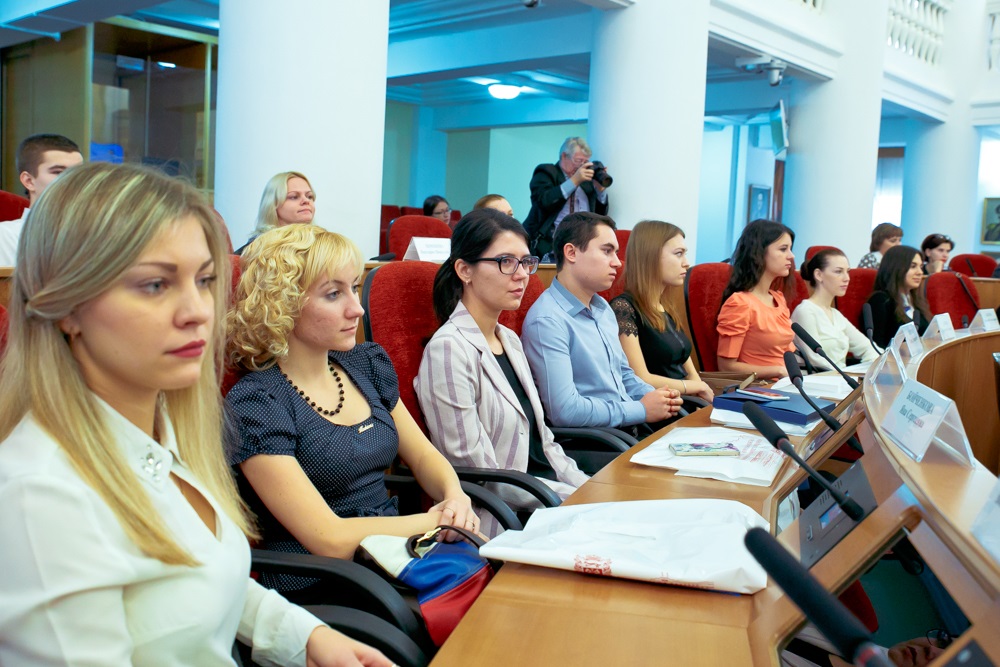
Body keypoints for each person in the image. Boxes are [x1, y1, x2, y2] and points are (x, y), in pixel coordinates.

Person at [0, 162, 390, 666]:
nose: (199, 311)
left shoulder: (163, 428)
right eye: (155, 285)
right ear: (67, 307)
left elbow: (201, 575)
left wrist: (308, 637)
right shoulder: (40, 495)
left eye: (204, 280)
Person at [226, 224, 477, 597]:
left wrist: (454, 495)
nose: (357, 308)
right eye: (333, 294)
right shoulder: (258, 404)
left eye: (355, 288)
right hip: (323, 586)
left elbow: (424, 457)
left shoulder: (365, 364)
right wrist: (435, 521)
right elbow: (329, 539)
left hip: (396, 562)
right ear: (282, 304)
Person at [415, 209, 589, 534]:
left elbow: (545, 445)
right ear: (464, 270)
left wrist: (590, 490)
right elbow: (479, 474)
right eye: (506, 262)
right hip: (504, 518)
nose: (522, 275)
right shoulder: (448, 350)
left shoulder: (509, 339)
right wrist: (572, 501)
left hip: (548, 502)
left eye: (526, 262)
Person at [521, 212, 682, 437]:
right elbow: (565, 411)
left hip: (626, 430)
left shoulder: (603, 308)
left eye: (616, 252)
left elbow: (623, 374)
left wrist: (658, 398)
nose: (617, 262)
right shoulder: (548, 321)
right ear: (571, 253)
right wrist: (641, 409)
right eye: (607, 251)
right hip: (594, 442)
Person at [609, 220, 714, 404]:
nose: (687, 263)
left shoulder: (664, 306)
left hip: (685, 403)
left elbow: (690, 372)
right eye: (679, 254)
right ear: (651, 257)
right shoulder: (624, 308)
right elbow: (640, 378)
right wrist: (694, 387)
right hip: (660, 409)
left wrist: (703, 399)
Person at [717, 219, 797, 380]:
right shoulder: (740, 303)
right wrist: (778, 371)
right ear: (759, 252)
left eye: (790, 249)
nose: (791, 256)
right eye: (783, 249)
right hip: (758, 388)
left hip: (784, 383)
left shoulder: (779, 299)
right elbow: (726, 367)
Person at [0, 133, 83, 266]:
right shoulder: (5, 236)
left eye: (78, 172)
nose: (73, 180)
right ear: (29, 181)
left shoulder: (98, 235)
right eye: (58, 172)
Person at [523, 137, 610, 260]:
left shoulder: (587, 182)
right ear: (564, 156)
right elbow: (544, 202)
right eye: (578, 160)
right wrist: (574, 181)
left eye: (585, 162)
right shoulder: (547, 172)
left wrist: (600, 190)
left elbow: (599, 215)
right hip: (549, 246)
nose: (582, 166)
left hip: (582, 246)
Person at [791, 249, 879, 371]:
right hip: (821, 379)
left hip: (841, 378)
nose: (847, 278)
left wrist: (877, 365)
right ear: (819, 275)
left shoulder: (835, 314)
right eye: (838, 272)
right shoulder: (805, 311)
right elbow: (816, 361)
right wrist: (849, 375)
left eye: (847, 272)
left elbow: (868, 348)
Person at [865, 244, 930, 347]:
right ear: (896, 268)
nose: (920, 272)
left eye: (921, 267)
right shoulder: (881, 300)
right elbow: (877, 345)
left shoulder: (915, 299)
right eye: (913, 266)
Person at [235, 171, 315, 254]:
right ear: (273, 204)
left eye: (309, 196)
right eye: (294, 197)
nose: (306, 201)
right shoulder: (253, 252)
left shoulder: (320, 246)